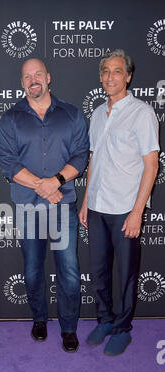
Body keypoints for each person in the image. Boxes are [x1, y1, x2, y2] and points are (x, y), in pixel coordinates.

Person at [0, 58, 89, 352]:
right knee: (33, 270)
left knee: (69, 270)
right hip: (28, 207)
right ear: (22, 82)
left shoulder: (72, 114)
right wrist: (44, 185)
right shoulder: (10, 119)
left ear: (48, 77)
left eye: (38, 74)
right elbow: (9, 164)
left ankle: (69, 328)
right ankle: (39, 318)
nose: (33, 79)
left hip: (63, 207)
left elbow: (80, 156)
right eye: (27, 76)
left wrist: (57, 180)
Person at [79, 49, 159, 356]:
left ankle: (123, 328)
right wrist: (86, 201)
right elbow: (94, 159)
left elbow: (151, 165)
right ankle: (105, 320)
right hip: (98, 206)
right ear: (101, 78)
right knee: (99, 271)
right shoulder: (98, 114)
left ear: (127, 76)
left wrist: (138, 212)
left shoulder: (142, 112)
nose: (110, 77)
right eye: (105, 72)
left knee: (126, 273)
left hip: (126, 207)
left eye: (116, 71)